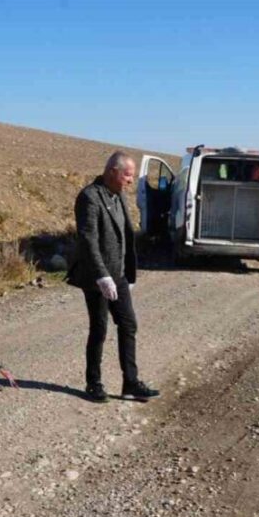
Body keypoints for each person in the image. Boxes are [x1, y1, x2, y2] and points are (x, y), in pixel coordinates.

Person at [66, 151, 160, 403]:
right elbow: (88, 240)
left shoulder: (118, 196)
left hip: (117, 274)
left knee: (128, 325)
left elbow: (126, 235)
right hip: (96, 277)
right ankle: (93, 383)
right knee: (99, 329)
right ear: (112, 172)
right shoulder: (89, 197)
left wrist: (127, 272)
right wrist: (101, 276)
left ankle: (130, 383)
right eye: (128, 175)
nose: (131, 181)